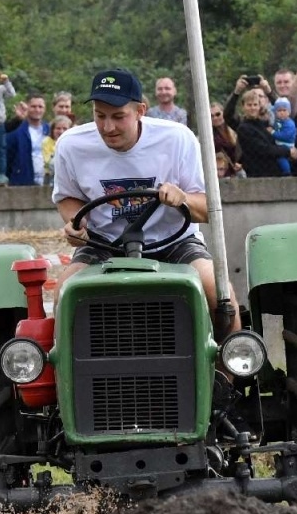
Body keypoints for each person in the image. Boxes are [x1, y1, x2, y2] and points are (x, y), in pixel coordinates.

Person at [52, 68, 234, 330]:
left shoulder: (177, 139)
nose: (107, 127)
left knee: (219, 292)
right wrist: (75, 225)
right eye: (99, 116)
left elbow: (207, 210)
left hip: (173, 242)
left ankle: (232, 367)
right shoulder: (71, 144)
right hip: (104, 244)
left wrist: (182, 199)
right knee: (64, 295)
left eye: (118, 116)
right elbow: (67, 197)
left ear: (140, 111)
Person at [226, 85, 292, 179]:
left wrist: (268, 90)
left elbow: (282, 109)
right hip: (258, 174)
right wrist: (287, 150)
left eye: (255, 104)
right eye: (249, 105)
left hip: (274, 171)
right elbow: (262, 149)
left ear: (259, 106)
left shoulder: (263, 124)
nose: (252, 108)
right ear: (243, 107)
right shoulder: (244, 128)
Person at [5, 94, 50, 186]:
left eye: (40, 107)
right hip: (22, 181)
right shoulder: (17, 129)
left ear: (45, 109)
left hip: (46, 182)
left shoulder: (49, 129)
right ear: (27, 107)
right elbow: (7, 157)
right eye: (33, 106)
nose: (37, 110)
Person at [210, 102, 241, 176]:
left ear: (223, 113)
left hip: (240, 168)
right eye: (211, 116)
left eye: (218, 114)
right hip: (223, 172)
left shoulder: (234, 127)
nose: (215, 118)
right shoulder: (210, 135)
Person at [42, 114, 72, 185]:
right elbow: (48, 162)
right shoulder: (46, 141)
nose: (61, 131)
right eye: (58, 128)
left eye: (65, 128)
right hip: (51, 177)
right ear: (52, 129)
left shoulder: (73, 143)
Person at [270, 98, 297, 175]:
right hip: (278, 144)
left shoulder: (290, 123)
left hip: (287, 145)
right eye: (279, 110)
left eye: (284, 110)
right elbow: (270, 109)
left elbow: (286, 136)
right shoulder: (278, 121)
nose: (282, 113)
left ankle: (287, 173)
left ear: (289, 112)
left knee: (281, 159)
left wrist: (273, 132)